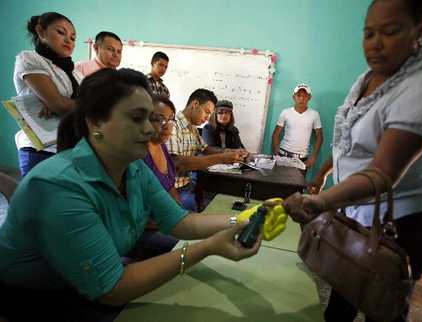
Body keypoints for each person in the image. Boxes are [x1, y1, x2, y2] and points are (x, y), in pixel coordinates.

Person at [0, 68, 262, 322]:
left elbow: (181, 221)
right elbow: (112, 290)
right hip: (38, 300)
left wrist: (243, 221)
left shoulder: (132, 167)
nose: (150, 130)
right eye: (137, 118)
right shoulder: (57, 186)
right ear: (96, 123)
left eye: (152, 118)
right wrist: (206, 248)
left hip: (85, 280)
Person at [282, 1, 422, 321]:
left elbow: (381, 173)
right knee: (342, 298)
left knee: (382, 309)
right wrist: (323, 172)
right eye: (369, 33)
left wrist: (319, 202)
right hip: (357, 209)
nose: (375, 43)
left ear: (419, 29)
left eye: (390, 32)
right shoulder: (369, 78)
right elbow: (348, 145)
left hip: (405, 222)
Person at [13, 12, 83, 177]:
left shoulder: (76, 73)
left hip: (71, 148)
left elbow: (92, 104)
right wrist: (60, 103)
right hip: (41, 149)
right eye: (61, 32)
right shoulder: (30, 59)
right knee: (39, 201)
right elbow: (60, 105)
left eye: (73, 38)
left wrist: (66, 103)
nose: (69, 41)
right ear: (41, 32)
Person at [166, 89, 247, 211]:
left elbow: (206, 149)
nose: (207, 118)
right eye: (207, 112)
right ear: (195, 105)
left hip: (188, 185)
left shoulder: (192, 127)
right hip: (173, 188)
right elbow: (176, 163)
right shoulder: (173, 126)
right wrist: (221, 158)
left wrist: (230, 152)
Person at [141, 95, 180, 254]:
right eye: (159, 119)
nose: (167, 126)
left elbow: (170, 187)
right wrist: (171, 223)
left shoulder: (162, 147)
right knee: (185, 243)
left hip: (163, 221)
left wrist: (179, 214)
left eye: (171, 119)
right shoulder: (139, 153)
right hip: (142, 230)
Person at [271, 83, 323, 173]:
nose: (301, 99)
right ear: (293, 97)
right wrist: (276, 151)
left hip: (301, 159)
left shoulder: (314, 114)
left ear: (309, 97)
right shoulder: (285, 112)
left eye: (305, 96)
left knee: (297, 186)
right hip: (283, 155)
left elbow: (320, 137)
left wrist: (313, 157)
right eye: (298, 95)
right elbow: (276, 133)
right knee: (278, 184)